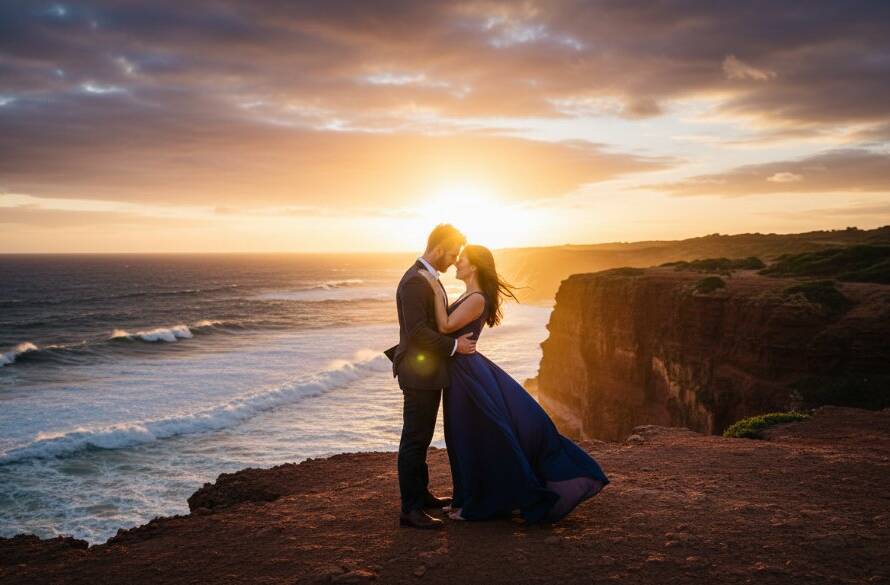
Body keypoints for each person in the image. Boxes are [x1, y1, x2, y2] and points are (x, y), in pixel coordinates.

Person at [418, 244, 609, 523]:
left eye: (462, 260)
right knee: (462, 437)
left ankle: (478, 506)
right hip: (460, 371)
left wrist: (434, 288)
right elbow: (446, 328)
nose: (457, 263)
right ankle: (467, 500)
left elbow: (446, 326)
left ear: (474, 266)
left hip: (468, 375)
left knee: (472, 437)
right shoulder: (469, 295)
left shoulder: (477, 298)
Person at [386, 224, 477, 529]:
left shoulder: (427, 278)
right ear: (438, 248)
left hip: (427, 370)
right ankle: (409, 510)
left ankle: (421, 495)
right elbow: (418, 332)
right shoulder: (415, 281)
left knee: (421, 437)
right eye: (452, 254)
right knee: (414, 439)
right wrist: (455, 346)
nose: (453, 261)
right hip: (417, 371)